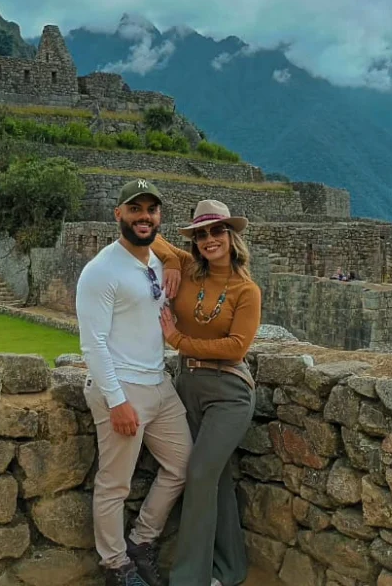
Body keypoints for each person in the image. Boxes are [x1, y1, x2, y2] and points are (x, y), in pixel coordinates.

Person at [76, 179, 192, 586]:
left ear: (159, 217)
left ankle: (142, 541)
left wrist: (174, 261)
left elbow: (173, 253)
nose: (144, 217)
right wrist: (116, 400)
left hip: (159, 383)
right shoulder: (101, 271)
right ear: (118, 215)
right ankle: (116, 565)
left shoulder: (157, 263)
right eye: (135, 209)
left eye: (151, 210)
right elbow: (93, 344)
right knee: (114, 483)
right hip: (123, 386)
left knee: (182, 464)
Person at [152, 199, 261, 586]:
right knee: (218, 479)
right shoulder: (186, 265)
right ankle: (230, 570)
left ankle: (188, 579)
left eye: (217, 231)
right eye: (201, 234)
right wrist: (168, 262)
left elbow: (236, 347)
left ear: (231, 236)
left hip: (228, 392)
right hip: (188, 387)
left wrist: (178, 339)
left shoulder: (246, 290)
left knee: (198, 474)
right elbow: (151, 237)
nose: (209, 239)